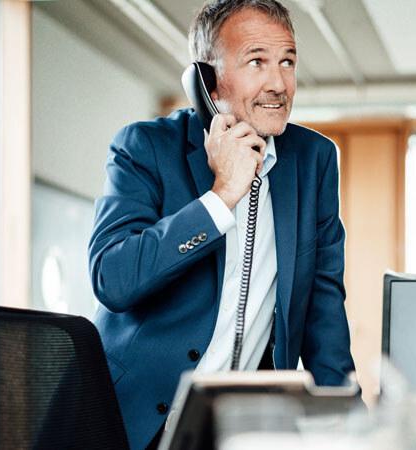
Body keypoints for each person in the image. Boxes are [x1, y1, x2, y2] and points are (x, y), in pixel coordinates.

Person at [88, 1, 355, 448]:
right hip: (128, 423)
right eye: (257, 62)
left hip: (238, 431)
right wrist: (221, 196)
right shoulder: (145, 148)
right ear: (206, 79)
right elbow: (112, 280)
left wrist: (349, 422)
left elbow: (324, 310)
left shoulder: (314, 161)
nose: (279, 83)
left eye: (287, 61)